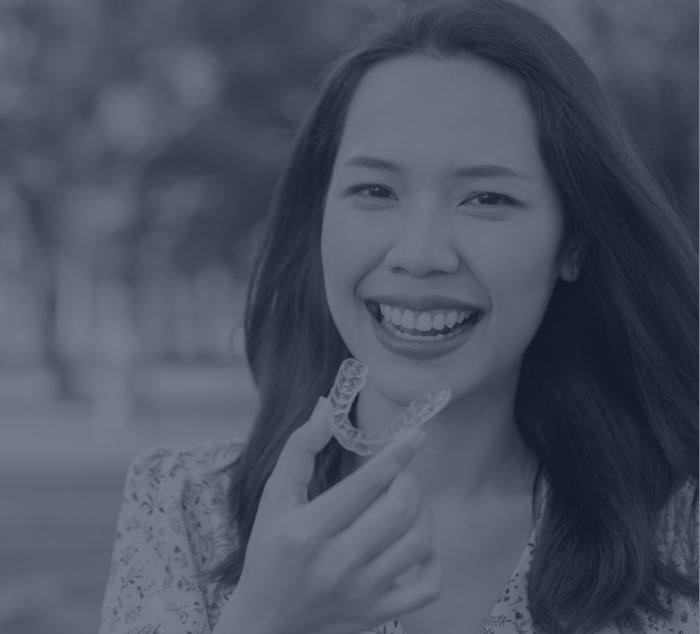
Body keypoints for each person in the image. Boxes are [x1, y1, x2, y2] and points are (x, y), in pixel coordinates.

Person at [98, 1, 699, 633]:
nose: (419, 255)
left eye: (487, 197)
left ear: (572, 242)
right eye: (375, 190)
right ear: (320, 219)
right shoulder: (185, 505)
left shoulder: (676, 529)